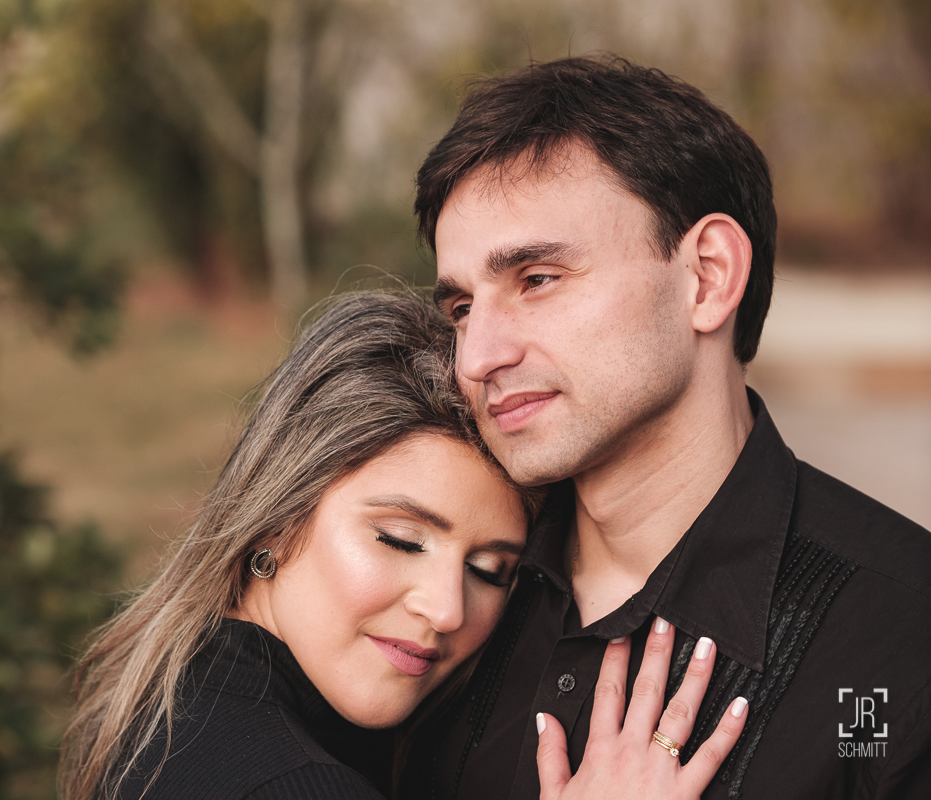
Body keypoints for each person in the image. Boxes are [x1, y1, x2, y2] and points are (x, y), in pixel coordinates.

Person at [399, 56, 931, 799]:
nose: (477, 357)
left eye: (537, 279)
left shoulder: (902, 641)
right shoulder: (432, 600)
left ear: (707, 276)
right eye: (461, 309)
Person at [58, 292, 747, 800]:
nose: (447, 609)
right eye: (400, 540)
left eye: (491, 570)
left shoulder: (171, 697)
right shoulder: (296, 784)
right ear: (276, 519)